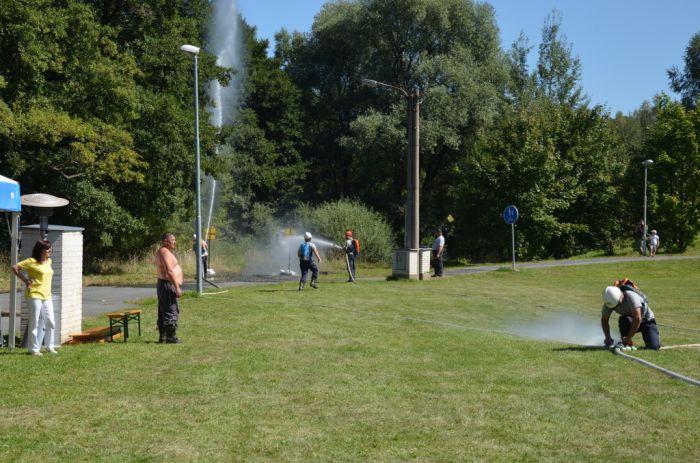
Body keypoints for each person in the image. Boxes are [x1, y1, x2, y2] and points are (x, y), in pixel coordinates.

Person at [12, 240, 57, 355]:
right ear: (41, 250)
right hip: (34, 295)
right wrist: (26, 280)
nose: (50, 250)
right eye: (47, 249)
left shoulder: (49, 261)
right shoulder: (31, 261)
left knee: (51, 322)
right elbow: (15, 268)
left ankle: (50, 346)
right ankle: (33, 349)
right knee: (35, 321)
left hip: (47, 296)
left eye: (50, 248)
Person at [601, 285, 661, 350]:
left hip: (647, 321)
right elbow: (604, 320)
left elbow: (637, 318)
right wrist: (608, 337)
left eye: (618, 303)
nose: (618, 306)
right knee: (624, 320)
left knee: (654, 347)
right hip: (630, 320)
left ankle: (628, 340)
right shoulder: (609, 302)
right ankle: (625, 343)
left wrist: (629, 338)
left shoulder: (631, 296)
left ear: (621, 295)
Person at [155, 233, 183, 343]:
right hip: (167, 284)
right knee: (170, 310)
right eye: (173, 240)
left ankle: (163, 337)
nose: (175, 242)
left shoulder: (164, 252)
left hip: (164, 284)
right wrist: (177, 287)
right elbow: (169, 270)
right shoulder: (164, 252)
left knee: (163, 310)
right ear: (166, 241)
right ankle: (171, 337)